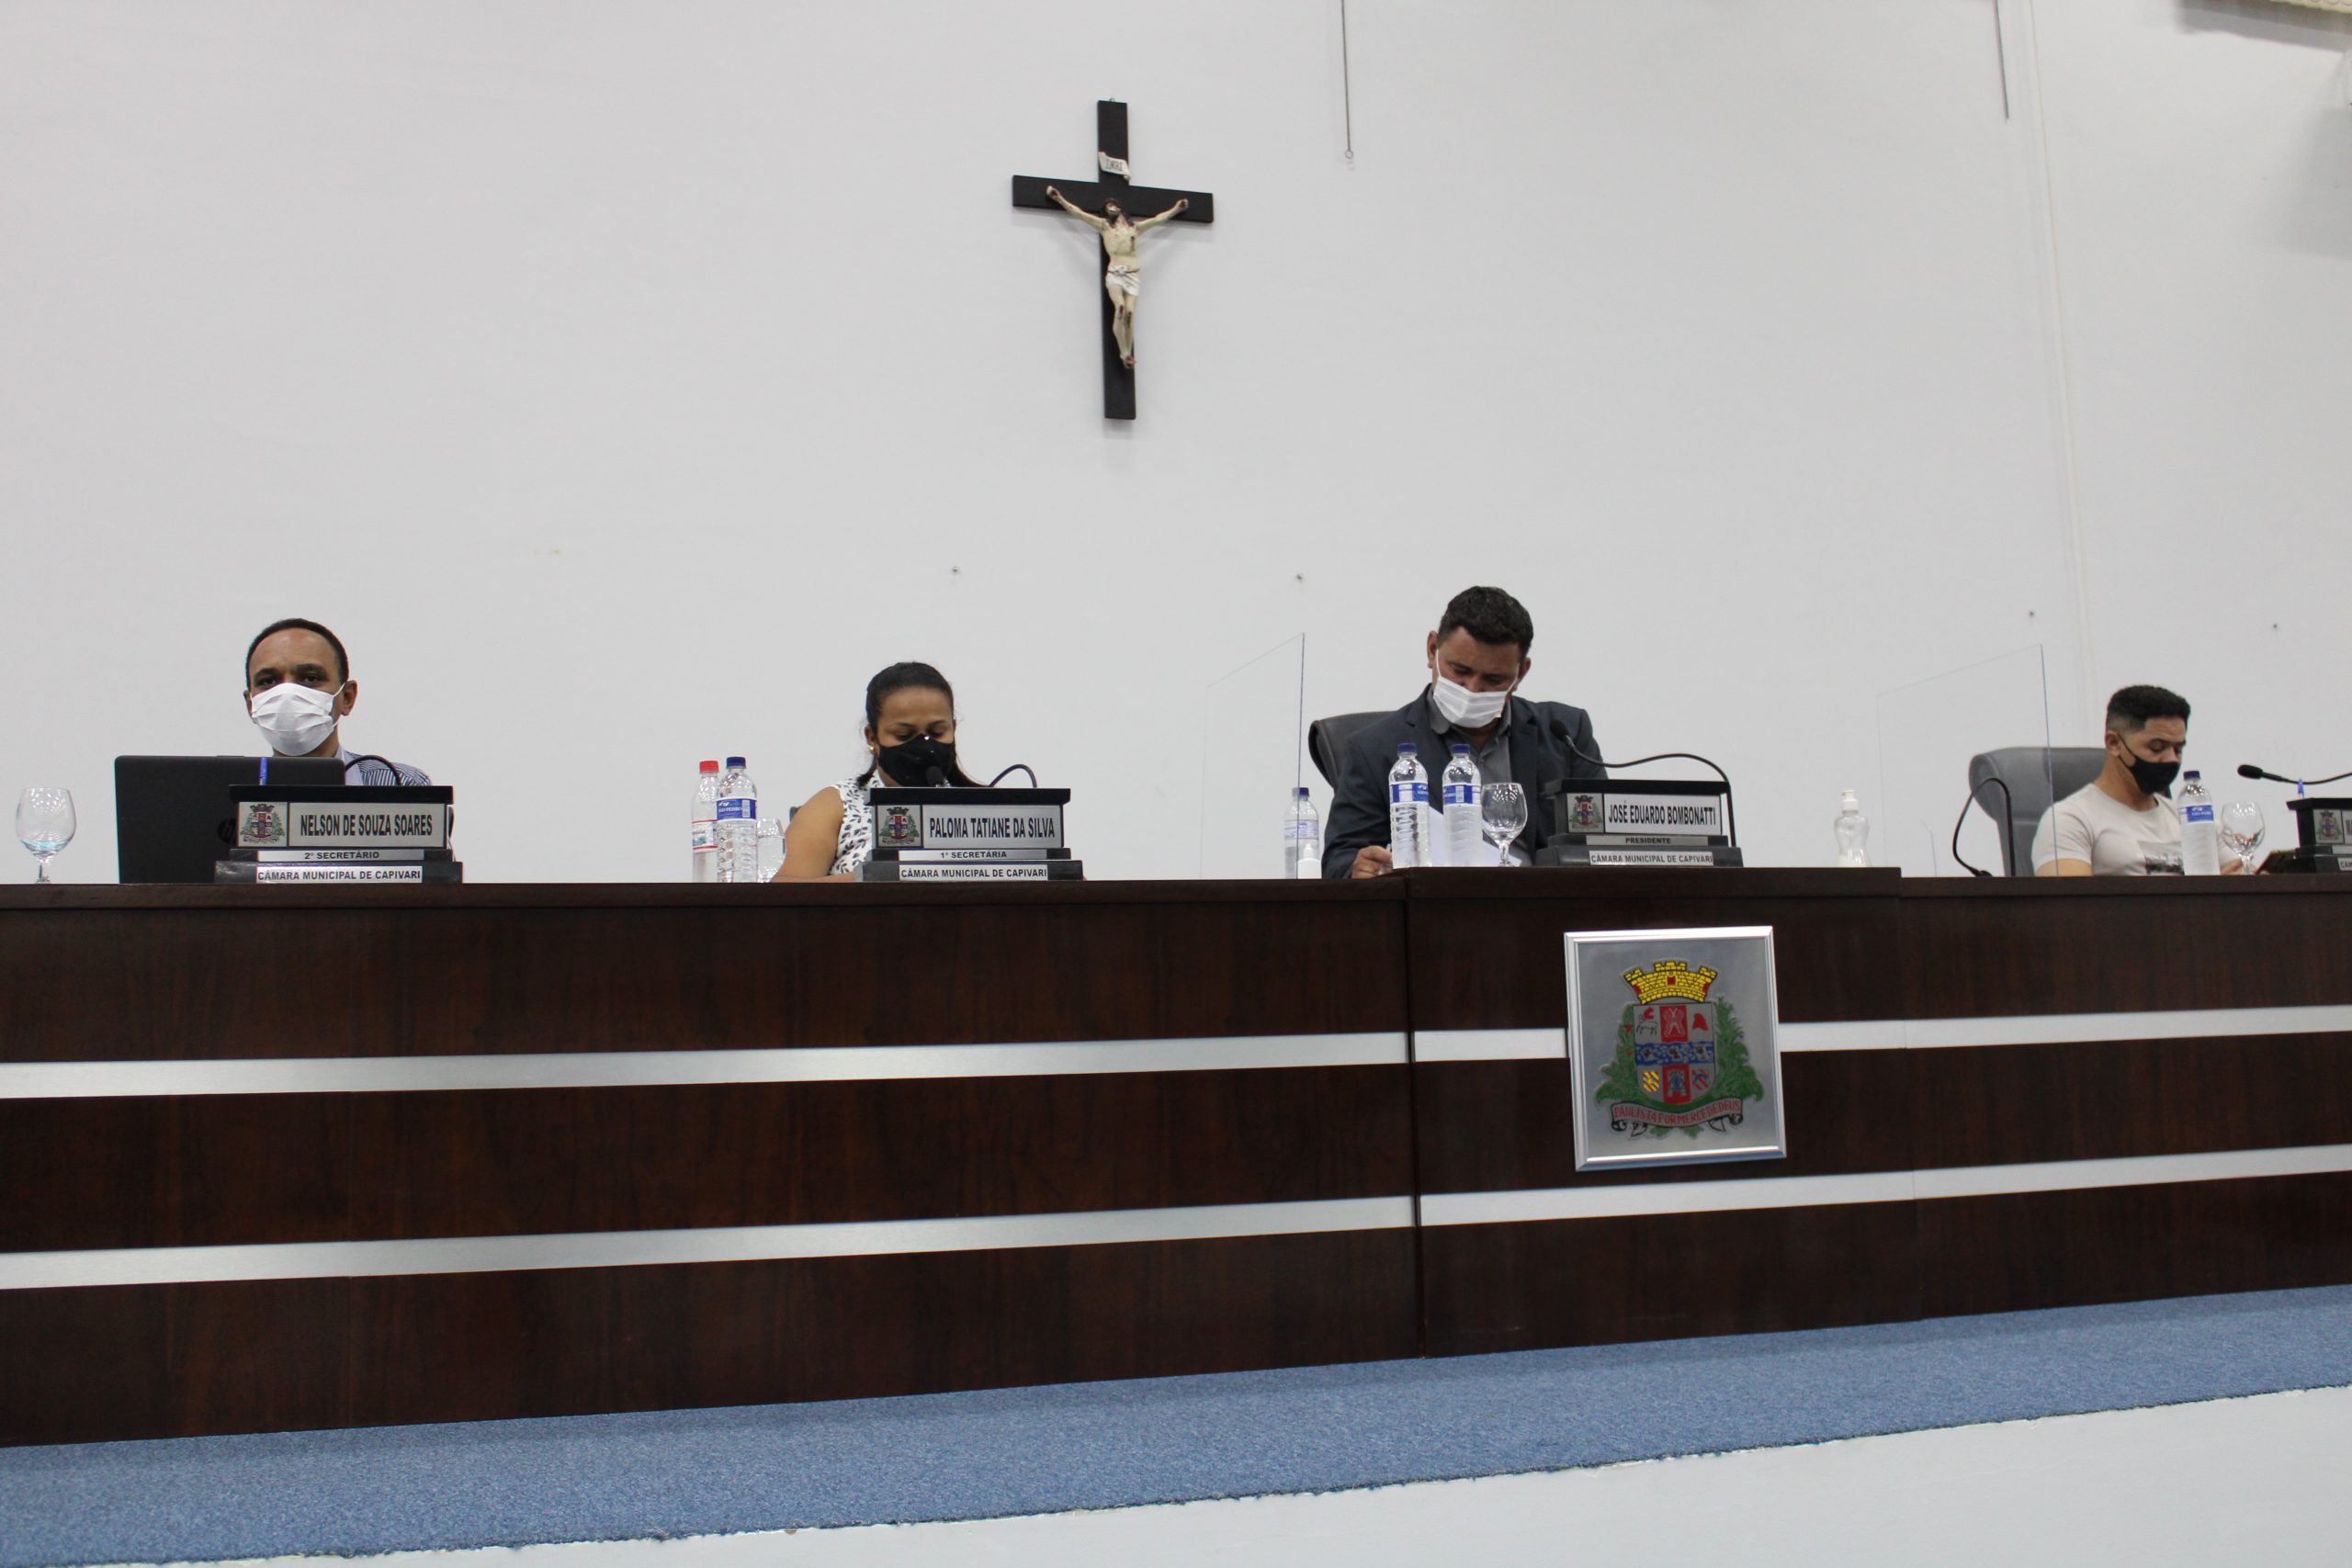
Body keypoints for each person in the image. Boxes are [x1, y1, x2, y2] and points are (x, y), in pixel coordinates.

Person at [1323, 587, 1604, 877]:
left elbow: (1603, 842)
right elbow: (1338, 861)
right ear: (1432, 649)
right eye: (1460, 671)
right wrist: (1358, 869)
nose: (1472, 689)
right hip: (1433, 901)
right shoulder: (1373, 748)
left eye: (1493, 679)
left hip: (1543, 899)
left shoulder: (1566, 734)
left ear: (1520, 673)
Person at [774, 661, 980, 881]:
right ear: (872, 737)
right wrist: (876, 877)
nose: (924, 744)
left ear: (953, 729)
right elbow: (784, 890)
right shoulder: (838, 805)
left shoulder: (981, 808)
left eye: (937, 732)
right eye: (903, 735)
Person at [2033, 684, 2231, 876]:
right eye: (2157, 747)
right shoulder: (2069, 820)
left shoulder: (2197, 821)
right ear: (2114, 743)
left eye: (2178, 749)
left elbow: (2240, 883)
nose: (2171, 759)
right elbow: (2070, 898)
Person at [243, 617, 431, 785]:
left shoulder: (401, 785)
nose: (287, 695)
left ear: (347, 697)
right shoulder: (229, 796)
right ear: (251, 705)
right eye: (268, 681)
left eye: (310, 678)